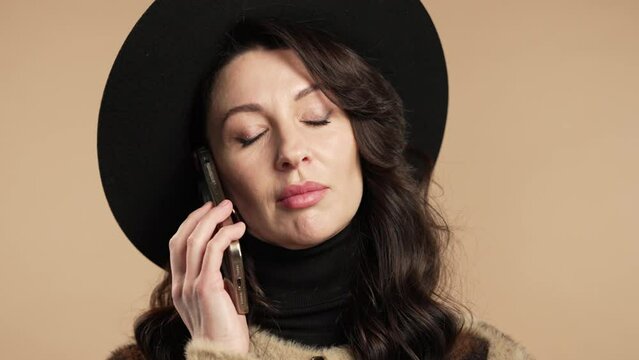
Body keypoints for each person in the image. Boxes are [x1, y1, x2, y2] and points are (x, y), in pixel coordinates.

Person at [99, 1, 534, 359]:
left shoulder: (480, 354)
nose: (291, 151)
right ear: (214, 177)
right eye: (250, 136)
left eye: (317, 117)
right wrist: (218, 352)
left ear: (364, 140)